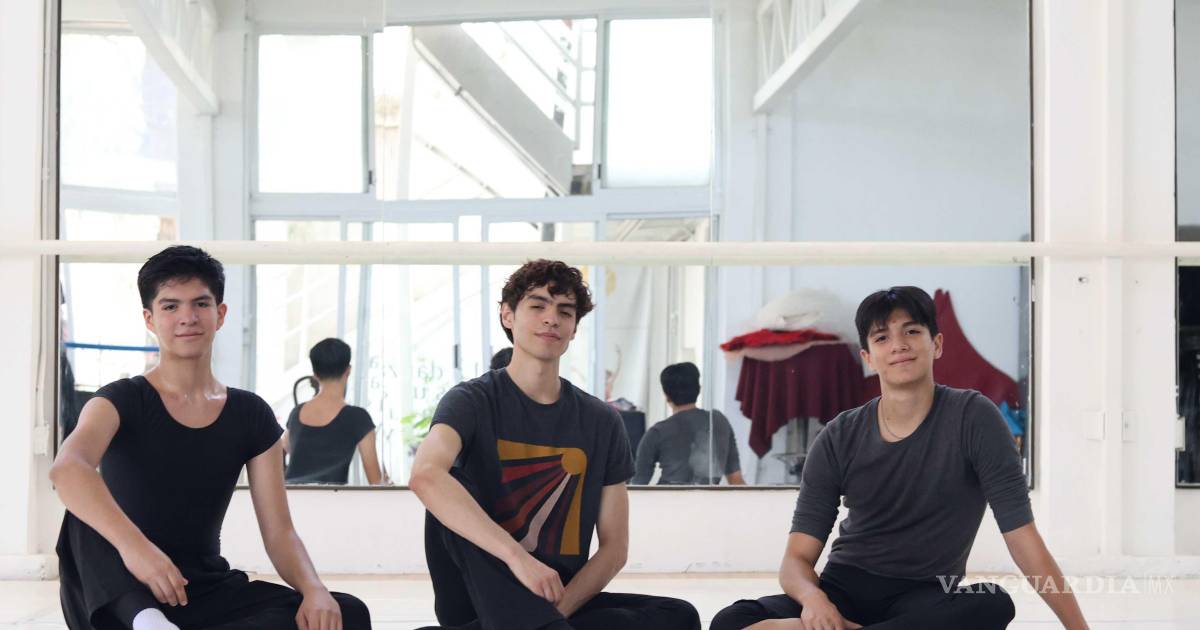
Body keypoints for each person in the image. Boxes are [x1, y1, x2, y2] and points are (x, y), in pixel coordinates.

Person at [711, 286, 1088, 630]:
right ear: (868, 357)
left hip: (924, 597)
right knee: (731, 621)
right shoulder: (839, 435)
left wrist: (1078, 629)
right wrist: (814, 602)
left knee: (992, 603)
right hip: (843, 589)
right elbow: (796, 559)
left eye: (911, 331)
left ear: (936, 344)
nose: (898, 345)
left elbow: (1022, 539)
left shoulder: (974, 418)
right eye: (882, 337)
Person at [51, 246, 370, 630]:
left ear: (220, 314)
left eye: (200, 304)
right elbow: (66, 468)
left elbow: (279, 532)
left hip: (201, 589)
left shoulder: (250, 413)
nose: (187, 317)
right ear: (150, 319)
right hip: (120, 595)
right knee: (82, 506)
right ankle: (150, 623)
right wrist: (139, 552)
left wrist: (314, 589)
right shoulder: (120, 399)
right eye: (171, 306)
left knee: (346, 612)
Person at [410, 259, 700, 630]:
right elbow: (425, 475)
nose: (552, 319)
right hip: (480, 596)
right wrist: (517, 558)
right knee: (450, 481)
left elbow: (614, 548)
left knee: (678, 617)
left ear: (574, 328)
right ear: (508, 315)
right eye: (538, 306)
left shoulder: (601, 420)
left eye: (565, 312)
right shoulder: (471, 401)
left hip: (556, 596)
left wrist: (554, 614)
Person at [284, 338, 384, 485]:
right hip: (332, 497)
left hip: (290, 495)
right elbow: (375, 482)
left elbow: (282, 449)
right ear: (348, 371)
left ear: (315, 374)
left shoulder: (296, 413)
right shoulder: (358, 418)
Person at [632, 362, 745, 485]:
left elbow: (638, 485)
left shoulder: (657, 432)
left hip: (668, 496)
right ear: (699, 389)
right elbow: (736, 480)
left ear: (666, 395)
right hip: (708, 497)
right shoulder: (719, 421)